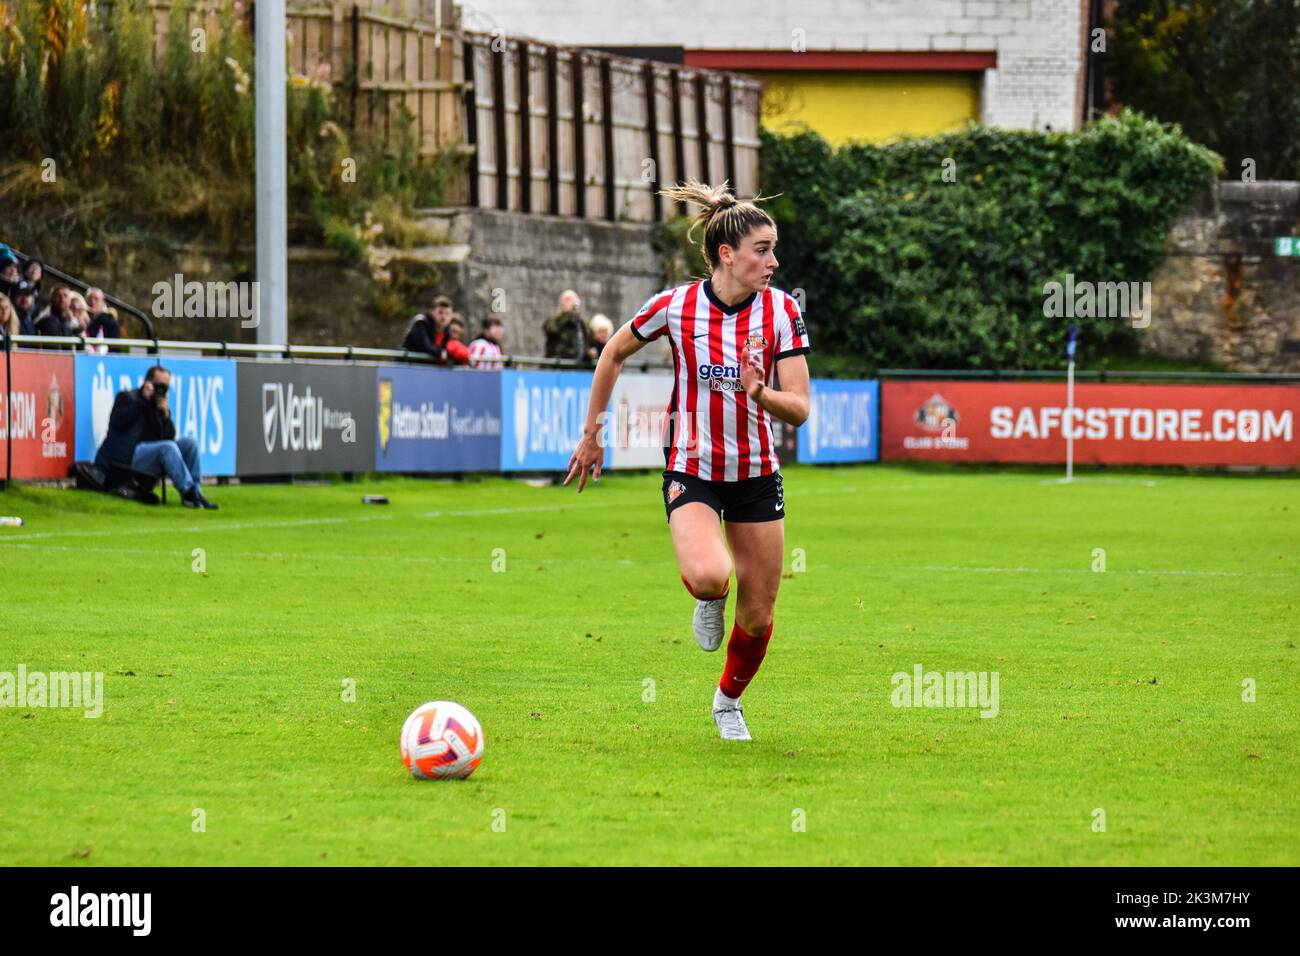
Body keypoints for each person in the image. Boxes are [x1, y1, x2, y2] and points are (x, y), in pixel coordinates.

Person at [564, 180, 811, 743]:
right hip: (692, 469)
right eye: (763, 249)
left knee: (759, 616)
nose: (774, 260)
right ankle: (709, 597)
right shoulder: (676, 306)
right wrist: (592, 434)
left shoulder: (782, 313)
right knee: (708, 576)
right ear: (728, 254)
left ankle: (728, 702)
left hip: (756, 476)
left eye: (773, 249)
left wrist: (761, 394)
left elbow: (797, 409)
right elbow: (612, 352)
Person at [94, 365, 219, 509]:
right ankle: (189, 494)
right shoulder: (128, 397)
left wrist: (165, 415)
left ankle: (196, 493)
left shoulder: (159, 406)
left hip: (152, 456)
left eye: (166, 388)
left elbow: (169, 437)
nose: (162, 391)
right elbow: (118, 422)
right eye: (159, 386)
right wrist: (143, 398)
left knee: (190, 444)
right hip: (127, 459)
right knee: (167, 447)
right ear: (148, 382)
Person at [400, 294, 455, 363]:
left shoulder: (447, 331)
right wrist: (440, 353)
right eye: (440, 312)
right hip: (407, 365)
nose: (443, 317)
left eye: (447, 314)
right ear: (432, 312)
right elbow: (425, 347)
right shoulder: (421, 323)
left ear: (452, 316)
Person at [543, 289, 589, 363]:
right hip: (558, 367)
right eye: (567, 300)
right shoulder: (553, 321)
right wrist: (567, 313)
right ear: (561, 304)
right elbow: (552, 330)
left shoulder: (581, 324)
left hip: (579, 368)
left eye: (573, 299)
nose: (572, 302)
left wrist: (589, 353)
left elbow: (586, 343)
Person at [83, 287, 121, 353]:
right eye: (90, 299)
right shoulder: (81, 318)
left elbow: (115, 349)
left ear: (103, 301)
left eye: (96, 299)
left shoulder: (110, 322)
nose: (92, 302)